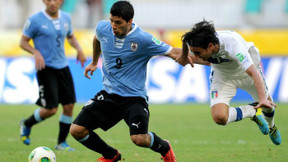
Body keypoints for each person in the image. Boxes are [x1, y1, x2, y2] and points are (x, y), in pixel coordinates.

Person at [69, 1, 208, 162]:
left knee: (139, 139)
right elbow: (97, 39)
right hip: (109, 95)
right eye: (111, 21)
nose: (113, 26)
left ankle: (164, 147)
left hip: (134, 99)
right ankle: (111, 155)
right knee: (76, 130)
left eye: (118, 22)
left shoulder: (143, 39)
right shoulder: (103, 28)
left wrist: (207, 60)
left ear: (130, 21)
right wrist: (94, 62)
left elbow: (172, 52)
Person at [179, 20, 281, 145]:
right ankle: (251, 111)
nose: (195, 56)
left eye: (198, 53)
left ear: (211, 46)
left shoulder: (232, 44)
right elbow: (185, 41)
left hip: (246, 74)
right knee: (219, 118)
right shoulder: (200, 43)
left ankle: (272, 127)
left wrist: (262, 99)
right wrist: (184, 55)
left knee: (267, 105)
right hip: (223, 77)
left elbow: (254, 72)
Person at [19, 0, 86, 151]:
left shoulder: (66, 18)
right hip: (45, 68)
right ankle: (27, 123)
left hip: (63, 66)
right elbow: (23, 42)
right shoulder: (34, 20)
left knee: (69, 106)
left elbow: (70, 37)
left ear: (61, 1)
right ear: (44, 1)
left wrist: (79, 49)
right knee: (51, 109)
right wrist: (36, 52)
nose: (52, 3)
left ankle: (61, 143)